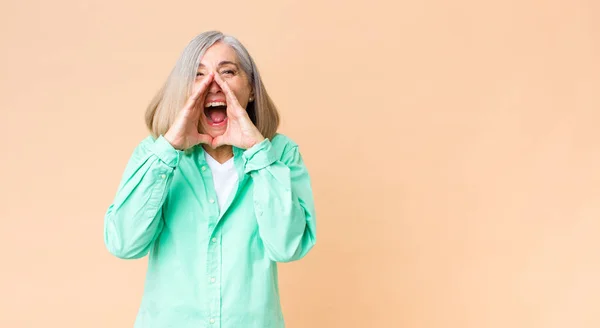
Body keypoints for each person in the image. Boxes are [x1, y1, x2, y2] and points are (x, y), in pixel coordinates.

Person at [103, 30, 317, 328]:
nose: (213, 84)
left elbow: (288, 247)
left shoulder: (280, 153)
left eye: (227, 71)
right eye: (198, 74)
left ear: (252, 88)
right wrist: (168, 150)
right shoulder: (153, 154)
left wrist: (257, 151)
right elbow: (124, 243)